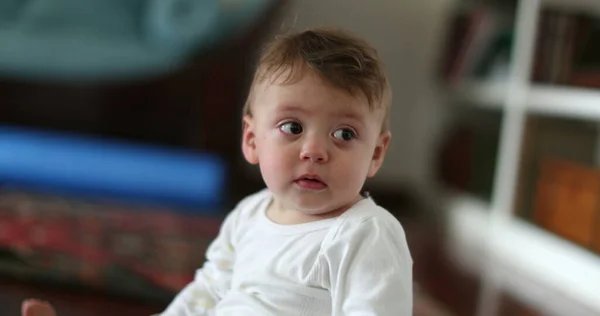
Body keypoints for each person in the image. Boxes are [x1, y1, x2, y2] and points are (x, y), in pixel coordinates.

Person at [22, 27, 413, 316]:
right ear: (252, 140)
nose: (314, 151)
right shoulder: (249, 214)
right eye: (292, 128)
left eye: (344, 134)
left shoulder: (365, 234)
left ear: (376, 153)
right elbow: (209, 289)